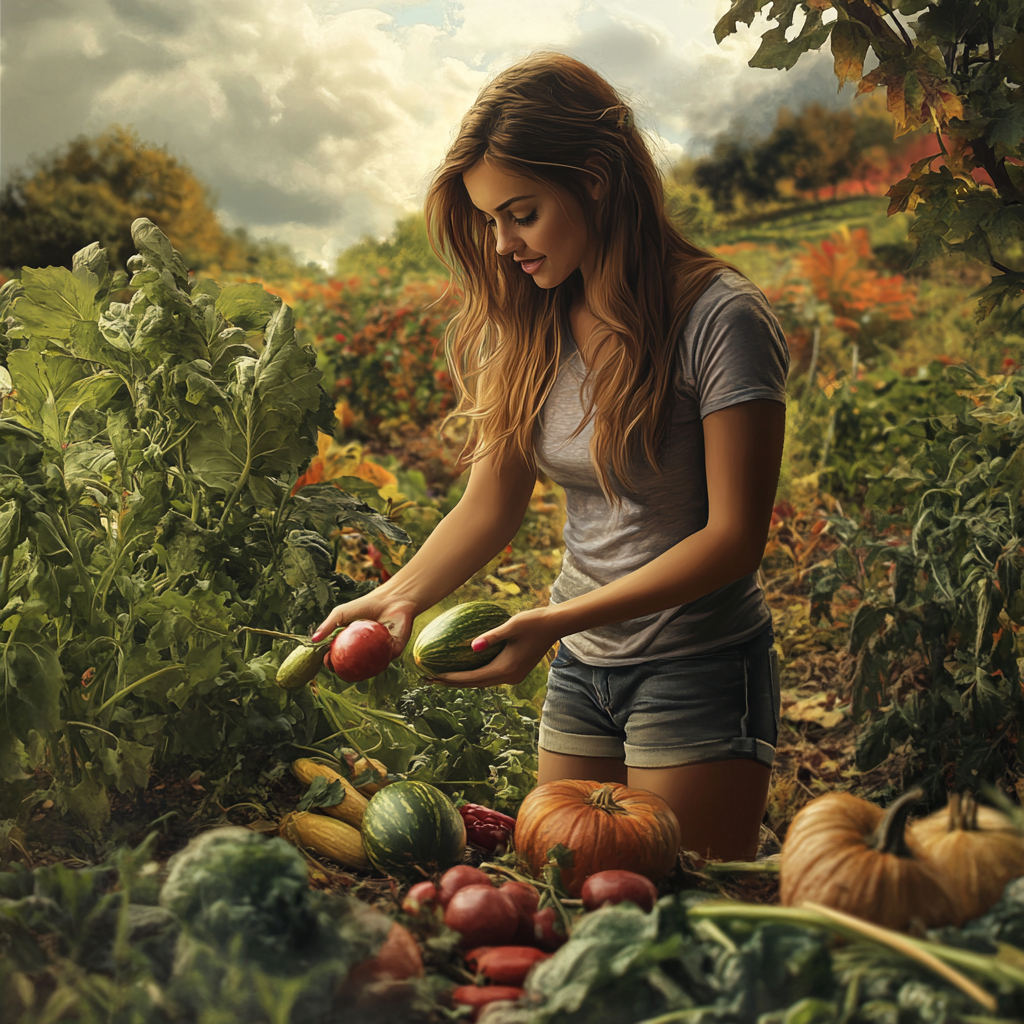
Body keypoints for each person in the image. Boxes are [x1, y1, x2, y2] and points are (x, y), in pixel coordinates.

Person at [312, 51, 789, 862]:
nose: (502, 244)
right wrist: (395, 599)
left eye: (521, 214)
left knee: (683, 910)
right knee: (570, 898)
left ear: (596, 179)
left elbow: (734, 539)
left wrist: (553, 621)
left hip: (698, 666)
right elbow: (490, 502)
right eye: (491, 220)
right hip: (583, 669)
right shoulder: (534, 320)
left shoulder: (722, 319)